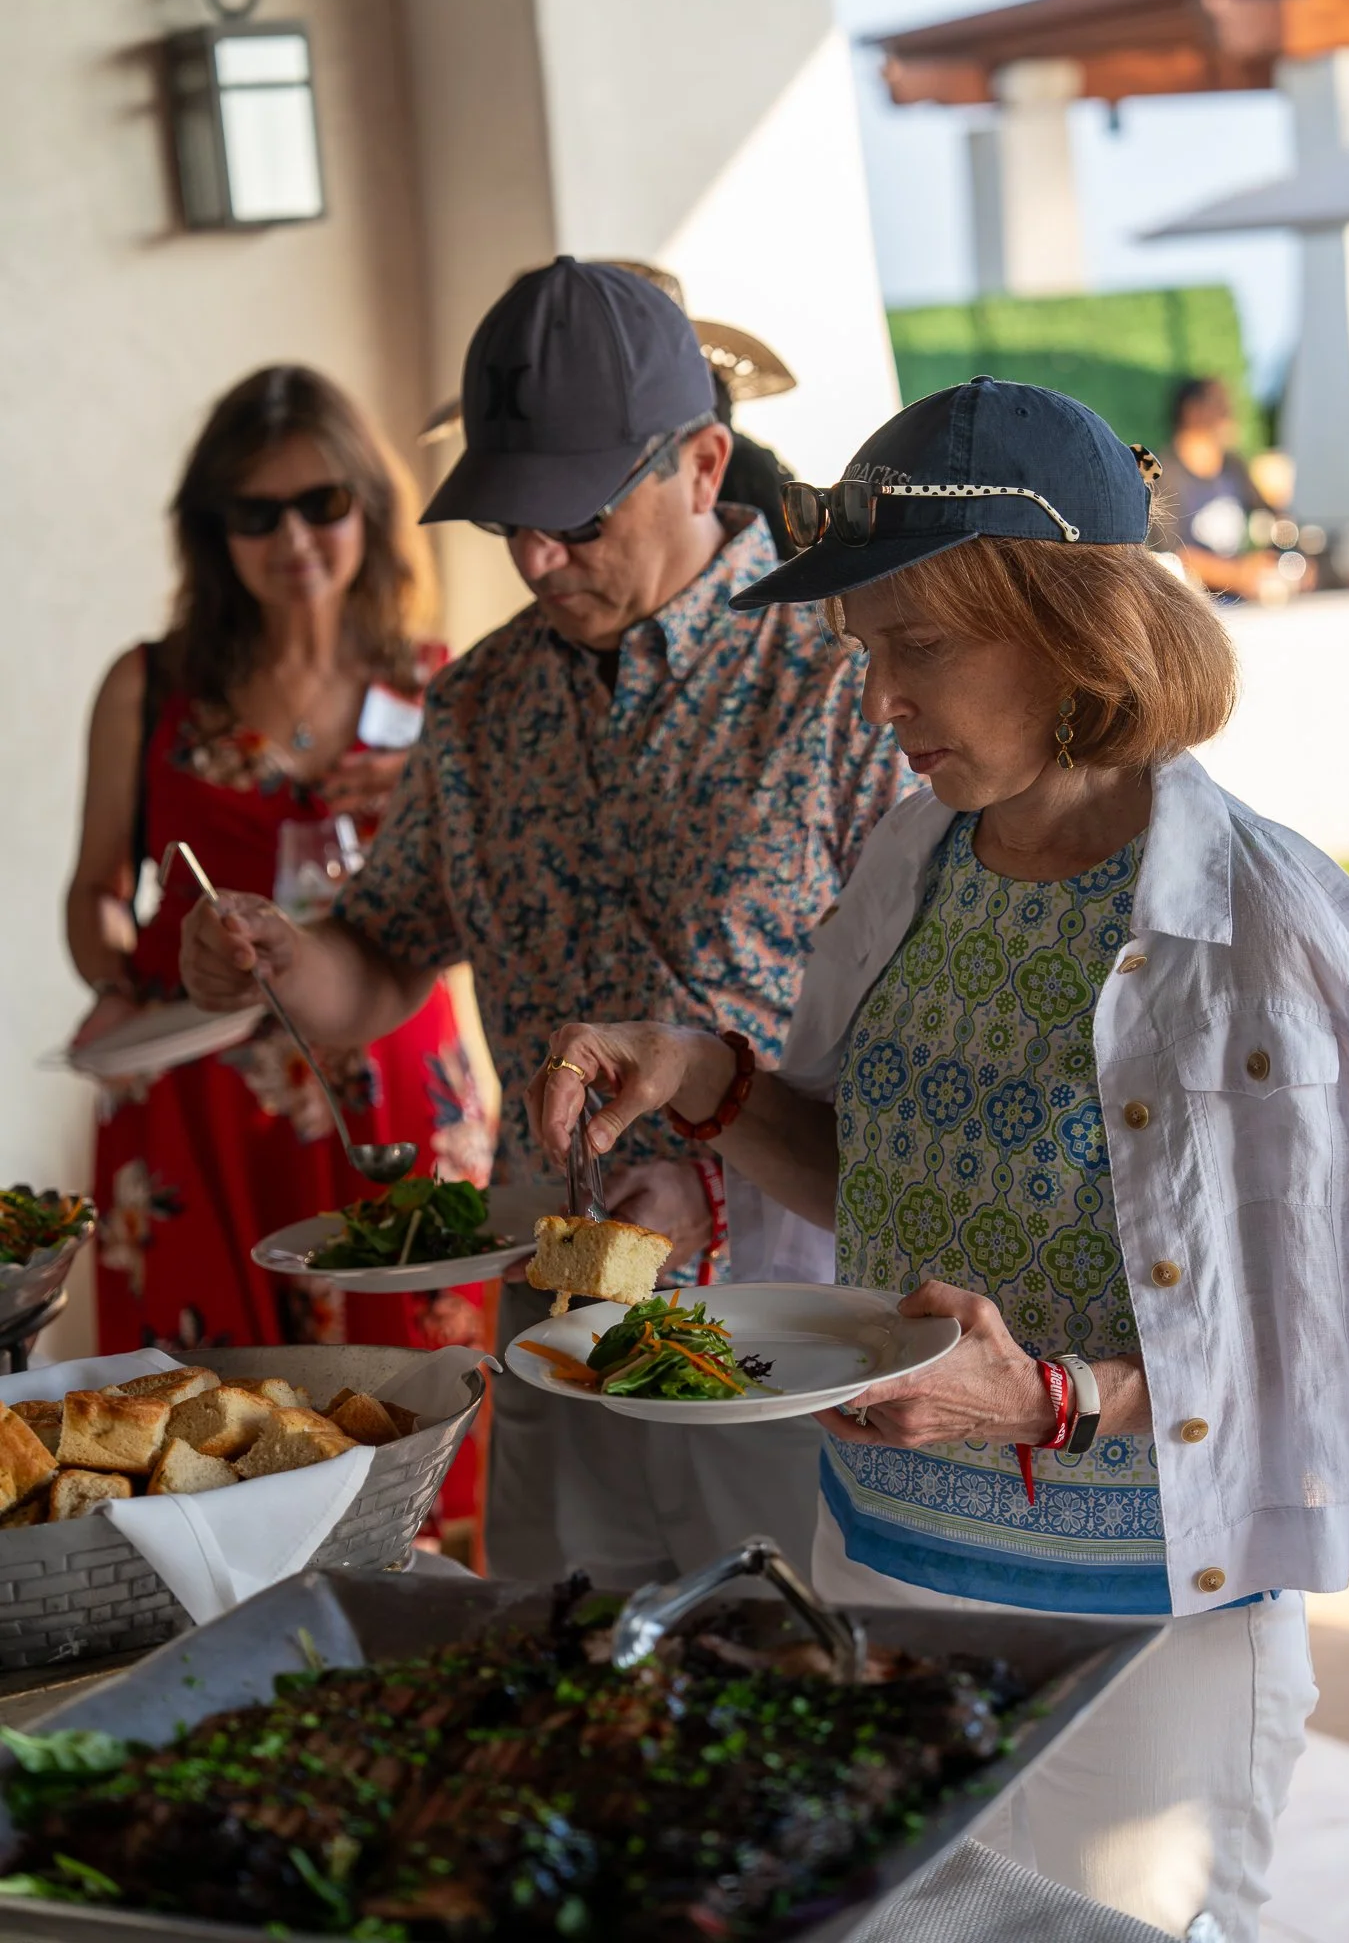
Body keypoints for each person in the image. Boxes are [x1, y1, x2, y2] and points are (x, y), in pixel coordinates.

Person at [527, 374, 1349, 1942]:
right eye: (865, 653)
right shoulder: (914, 858)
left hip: (1141, 1626)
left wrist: (1050, 1399)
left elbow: (1324, 1338)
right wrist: (703, 1078)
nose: (876, 703)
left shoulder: (1264, 926)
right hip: (879, 1557)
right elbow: (878, 1175)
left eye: (914, 648)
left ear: (1069, 631)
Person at [178, 259, 912, 1588]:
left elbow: (924, 1047)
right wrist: (282, 957)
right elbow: (380, 957)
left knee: (787, 1673)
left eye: (573, 518)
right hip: (555, 1311)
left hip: (793, 1318)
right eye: (506, 522)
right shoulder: (479, 703)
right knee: (553, 1664)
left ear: (702, 463)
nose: (533, 559)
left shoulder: (848, 674)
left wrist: (714, 1189)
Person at [67, 366, 493, 1430]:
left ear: (369, 508)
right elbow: (98, 891)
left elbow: (492, 902)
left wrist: (432, 803)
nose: (292, 537)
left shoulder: (440, 687)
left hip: (386, 1082)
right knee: (202, 1422)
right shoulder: (150, 685)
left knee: (407, 1412)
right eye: (256, 513)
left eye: (321, 502)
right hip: (194, 1089)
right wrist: (115, 974)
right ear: (213, 530)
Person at [1153, 375, 1299, 603]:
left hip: (1239, 604)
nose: (1230, 417)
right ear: (1192, 411)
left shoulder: (1233, 466)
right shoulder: (1164, 473)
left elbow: (1275, 517)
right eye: (1219, 407)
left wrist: (1288, 560)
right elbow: (1168, 556)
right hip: (1192, 607)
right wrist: (1238, 573)